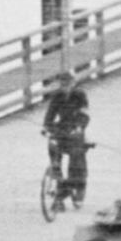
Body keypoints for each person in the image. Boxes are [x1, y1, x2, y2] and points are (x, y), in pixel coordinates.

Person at [44, 71, 91, 205]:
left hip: (75, 129)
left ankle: (78, 187)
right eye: (62, 84)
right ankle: (58, 182)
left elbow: (85, 115)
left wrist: (79, 127)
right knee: (53, 148)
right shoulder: (56, 96)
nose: (65, 87)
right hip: (61, 128)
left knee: (76, 156)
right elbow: (49, 116)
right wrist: (47, 128)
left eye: (67, 84)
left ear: (73, 84)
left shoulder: (80, 95)